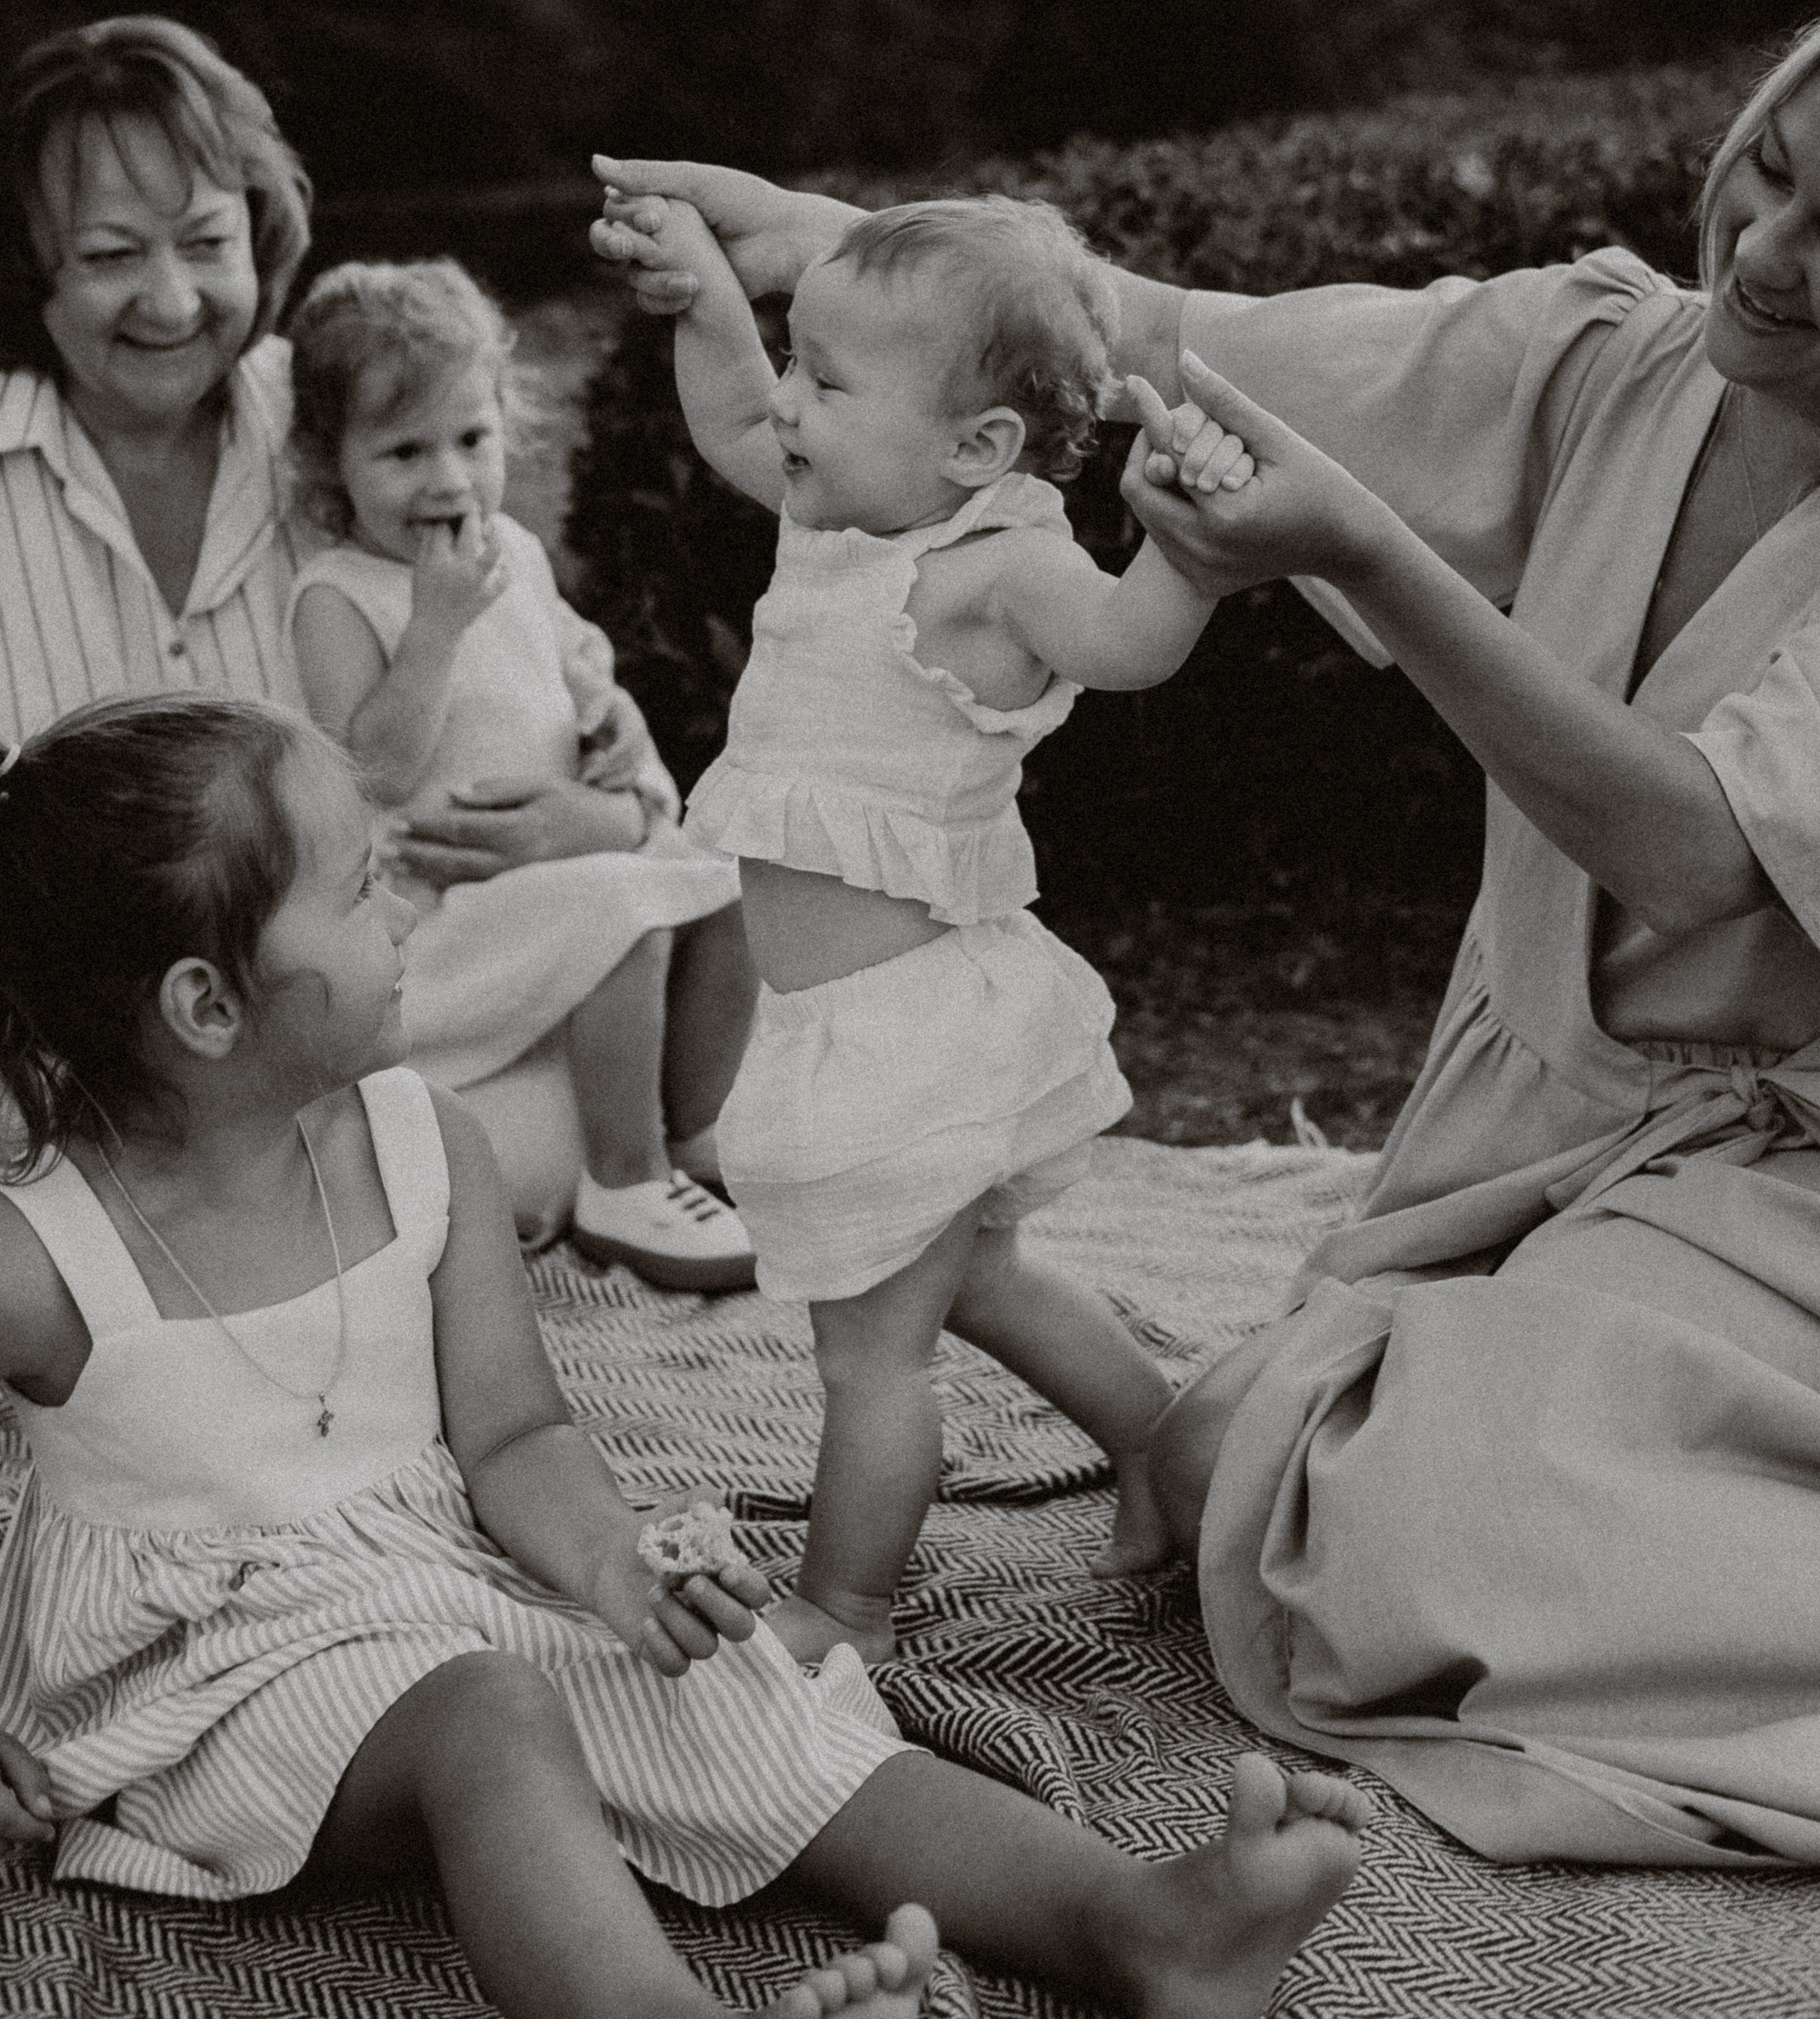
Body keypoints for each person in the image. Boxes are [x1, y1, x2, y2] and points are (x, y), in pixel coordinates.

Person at [588, 33, 1820, 1871]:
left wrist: (1371, 554)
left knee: (1404, 1522)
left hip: (1772, 1178)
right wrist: (840, 251)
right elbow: (1160, 338)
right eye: (1774, 168)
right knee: (1300, 1470)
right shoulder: (1597, 362)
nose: (1772, 246)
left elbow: (1699, 852)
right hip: (1535, 1125)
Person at [0, 691, 1369, 2019]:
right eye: (361, 891)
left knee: (727, 1686)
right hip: (201, 1674)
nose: (408, 912)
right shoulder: (45, 1251)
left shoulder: (427, 1143)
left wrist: (609, 1567)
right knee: (486, 1713)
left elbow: (515, 1437)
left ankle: (1146, 1931)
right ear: (207, 1005)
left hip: (431, 1582)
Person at [596, 187, 1255, 1667]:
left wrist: (1190, 547)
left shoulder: (993, 565)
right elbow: (724, 426)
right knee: (978, 1282)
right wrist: (704, 291)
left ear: (979, 449)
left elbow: (1131, 647)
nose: (787, 405)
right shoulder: (843, 515)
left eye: (825, 382)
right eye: (794, 363)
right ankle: (1154, 1439)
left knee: (868, 1357)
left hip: (904, 1047)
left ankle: (850, 1611)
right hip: (852, 1025)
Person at [0, 18, 712, 1239]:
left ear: (259, 237)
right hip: (68, 1068)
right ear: (34, 271)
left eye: (207, 243)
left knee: (533, 1125)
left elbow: (599, 737)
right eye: (113, 255)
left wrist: (594, 819)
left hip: (394, 1029)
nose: (172, 301)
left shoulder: (366, 426)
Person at [286, 257, 757, 1290]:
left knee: (735, 878)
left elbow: (577, 674)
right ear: (332, 463)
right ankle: (624, 1185)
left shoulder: (512, 552)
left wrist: (617, 727)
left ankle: (705, 1137)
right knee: (618, 903)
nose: (449, 480)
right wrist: (435, 630)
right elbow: (369, 770)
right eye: (405, 451)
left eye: (472, 439)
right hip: (441, 918)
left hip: (547, 884)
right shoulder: (339, 594)